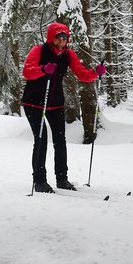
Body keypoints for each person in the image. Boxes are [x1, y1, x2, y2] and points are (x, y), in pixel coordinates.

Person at [22, 22, 107, 193]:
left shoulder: (68, 55)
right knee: (41, 140)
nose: (61, 41)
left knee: (60, 141)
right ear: (51, 38)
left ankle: (62, 179)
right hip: (34, 102)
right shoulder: (38, 50)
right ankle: (39, 181)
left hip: (55, 103)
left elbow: (82, 74)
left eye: (64, 38)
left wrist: (95, 72)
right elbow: (27, 71)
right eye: (58, 38)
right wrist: (43, 69)